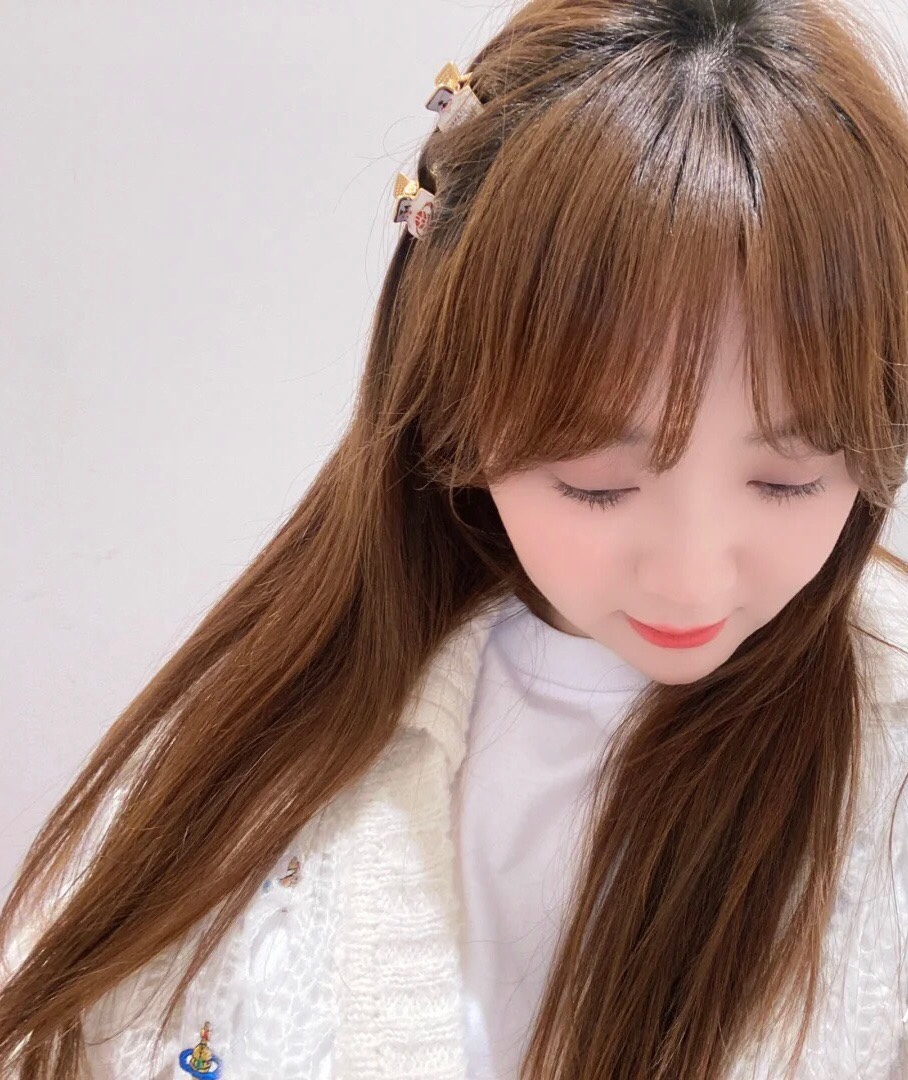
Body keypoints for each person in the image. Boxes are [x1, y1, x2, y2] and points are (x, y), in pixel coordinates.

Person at [3, 0, 908, 1076]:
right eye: (596, 485)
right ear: (457, 412)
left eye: (787, 478)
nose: (690, 576)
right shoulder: (267, 741)